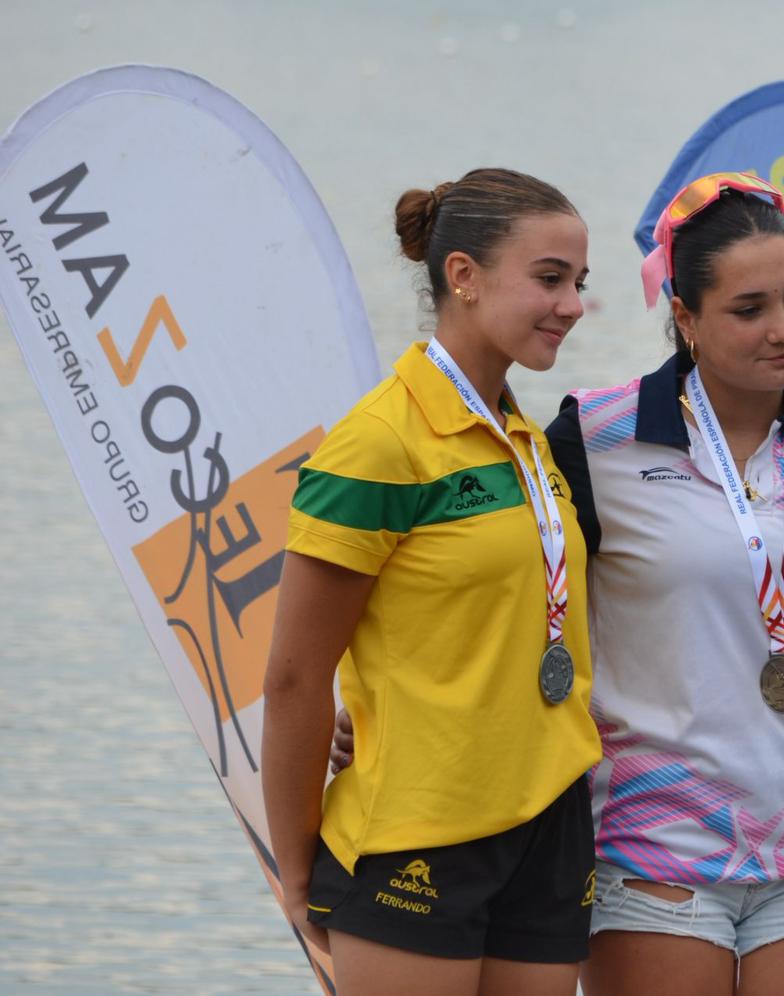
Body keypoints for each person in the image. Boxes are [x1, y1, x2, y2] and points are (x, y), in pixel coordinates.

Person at [546, 173, 784, 996]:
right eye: (749, 310)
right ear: (685, 318)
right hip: (649, 846)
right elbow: (520, 614)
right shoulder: (596, 438)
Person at [262, 169, 600, 996]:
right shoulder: (376, 446)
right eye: (549, 279)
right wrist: (296, 867)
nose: (573, 304)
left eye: (579, 283)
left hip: (548, 819)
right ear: (464, 275)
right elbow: (296, 676)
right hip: (417, 833)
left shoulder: (527, 438)